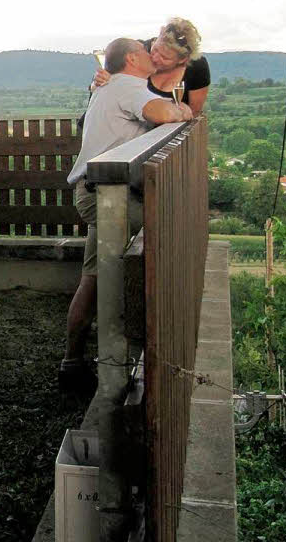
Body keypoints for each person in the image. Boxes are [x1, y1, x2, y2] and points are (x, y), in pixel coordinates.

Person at [60, 38, 193, 393]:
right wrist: (183, 111)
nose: (152, 54)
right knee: (161, 239)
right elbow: (163, 113)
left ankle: (73, 363)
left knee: (93, 279)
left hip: (97, 193)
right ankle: (120, 367)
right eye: (145, 51)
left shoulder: (112, 86)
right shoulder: (128, 86)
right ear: (132, 58)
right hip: (107, 197)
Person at [92, 17, 211, 115]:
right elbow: (103, 82)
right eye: (155, 49)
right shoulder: (136, 51)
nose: (155, 58)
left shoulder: (197, 67)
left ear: (183, 60)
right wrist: (98, 80)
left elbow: (194, 111)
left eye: (165, 58)